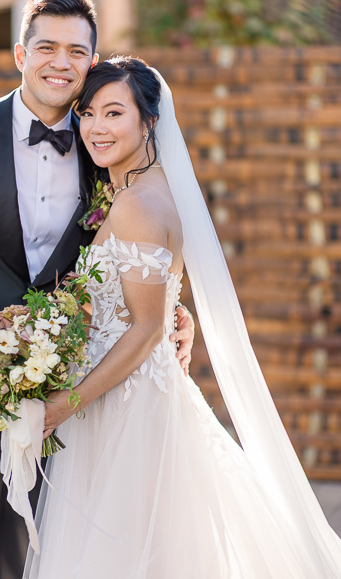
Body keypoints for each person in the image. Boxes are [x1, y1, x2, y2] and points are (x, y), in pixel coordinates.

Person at [0, 0, 194, 579]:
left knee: (37, 556)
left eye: (76, 51)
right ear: (20, 54)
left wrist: (173, 310)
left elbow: (134, 252)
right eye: (46, 46)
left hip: (65, 387)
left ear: (91, 62)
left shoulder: (103, 148)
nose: (61, 62)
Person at [23, 56, 341, 579]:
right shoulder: (142, 190)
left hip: (124, 407)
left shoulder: (136, 204)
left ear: (149, 121)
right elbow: (149, 299)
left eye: (114, 113)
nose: (96, 127)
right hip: (129, 393)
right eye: (87, 113)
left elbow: (147, 328)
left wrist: (65, 404)